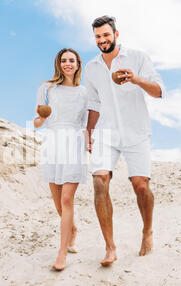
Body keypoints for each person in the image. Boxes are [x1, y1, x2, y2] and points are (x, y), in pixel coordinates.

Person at [84, 16, 165, 266]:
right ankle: (110, 247)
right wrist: (89, 131)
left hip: (137, 132)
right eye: (98, 36)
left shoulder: (137, 57)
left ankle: (147, 230)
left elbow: (159, 91)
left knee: (141, 186)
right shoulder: (92, 68)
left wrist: (136, 79)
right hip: (106, 134)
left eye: (106, 35)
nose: (102, 40)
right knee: (99, 182)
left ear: (116, 35)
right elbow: (94, 104)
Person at [34, 48, 89, 271]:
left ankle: (61, 252)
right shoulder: (46, 88)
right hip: (53, 142)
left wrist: (89, 145)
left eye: (71, 60)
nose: (67, 64)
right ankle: (73, 229)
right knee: (58, 203)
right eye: (63, 60)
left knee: (67, 200)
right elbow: (38, 122)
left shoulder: (84, 92)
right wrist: (41, 117)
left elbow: (86, 124)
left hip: (74, 143)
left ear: (77, 65)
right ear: (59, 64)